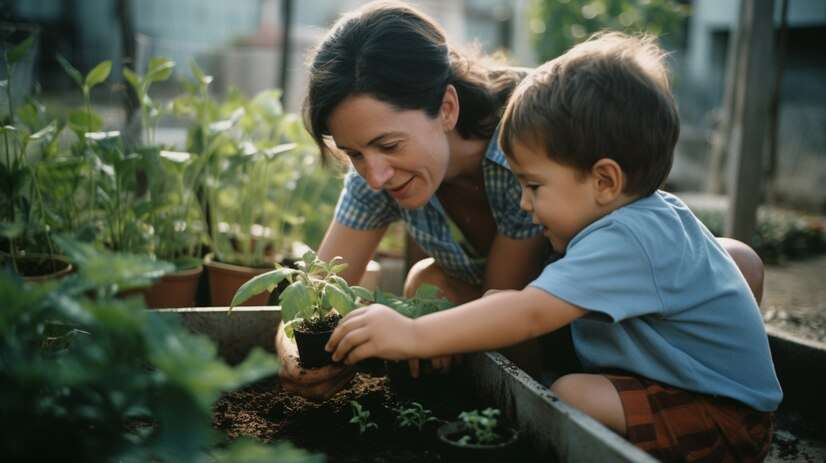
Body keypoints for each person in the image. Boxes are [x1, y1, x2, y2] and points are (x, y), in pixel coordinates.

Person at [325, 32, 782, 462]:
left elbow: (530, 314)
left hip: (722, 419)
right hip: (672, 392)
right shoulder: (632, 219)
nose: (524, 202)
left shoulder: (627, 237)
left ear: (604, 180)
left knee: (570, 395)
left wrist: (412, 334)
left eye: (534, 186)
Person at [277, 0, 550, 400]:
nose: (374, 176)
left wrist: (412, 333)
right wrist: (294, 356)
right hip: (505, 319)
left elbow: (503, 314)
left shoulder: (523, 145)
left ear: (446, 108)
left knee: (432, 292)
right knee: (430, 286)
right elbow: (315, 291)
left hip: (586, 336)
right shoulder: (378, 173)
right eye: (354, 153)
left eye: (388, 144)